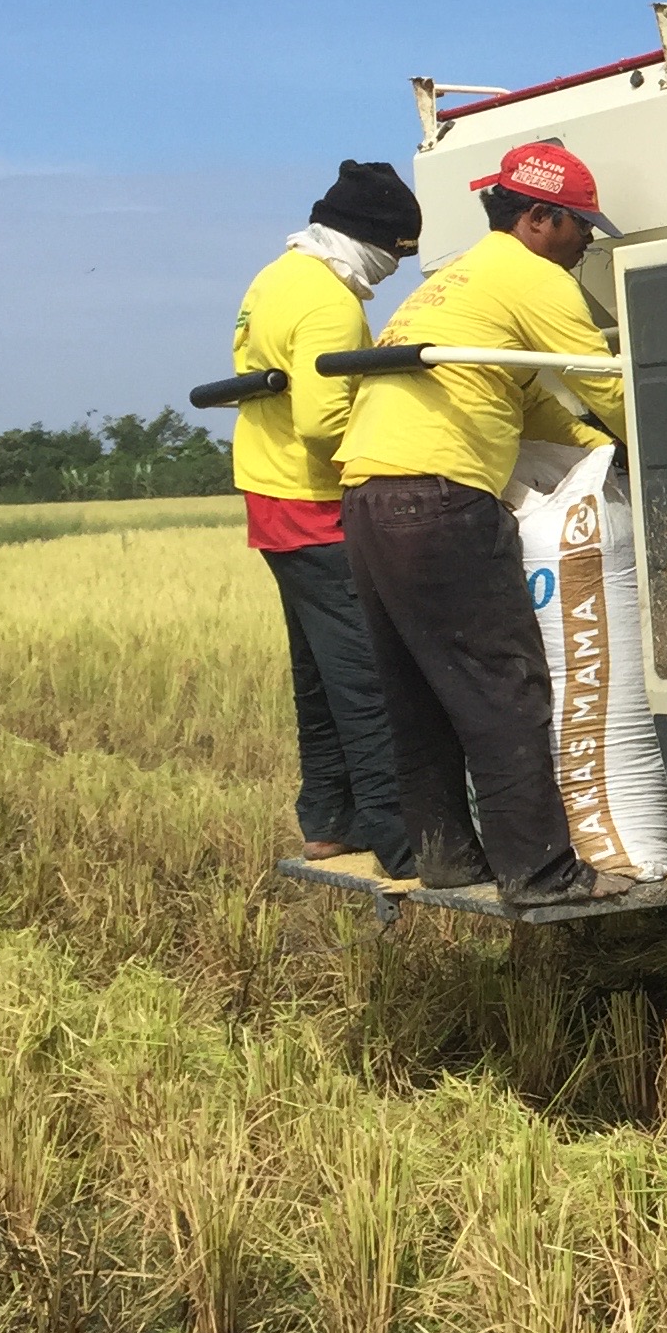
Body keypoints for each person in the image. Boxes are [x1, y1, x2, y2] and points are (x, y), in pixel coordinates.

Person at [337, 140, 632, 900]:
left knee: (420, 693)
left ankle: (448, 859)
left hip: (369, 498)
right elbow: (607, 386)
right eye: (580, 227)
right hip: (438, 500)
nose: (589, 241)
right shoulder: (534, 277)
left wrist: (600, 450)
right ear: (539, 218)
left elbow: (529, 397)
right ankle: (541, 872)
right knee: (506, 687)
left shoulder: (457, 279)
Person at [232, 159, 424, 876]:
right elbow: (322, 420)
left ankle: (328, 819)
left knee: (317, 671)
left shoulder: (274, 277)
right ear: (371, 239)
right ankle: (400, 840)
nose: (389, 273)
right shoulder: (330, 303)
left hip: (269, 491)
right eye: (394, 255)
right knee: (366, 675)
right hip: (314, 504)